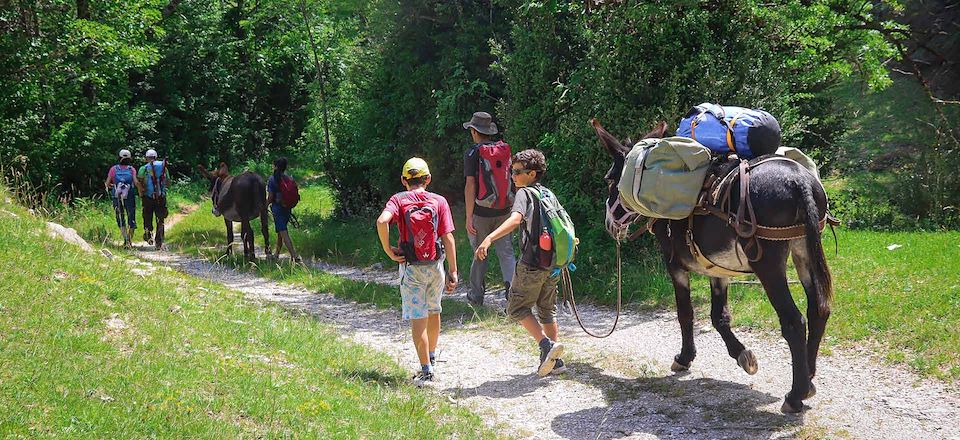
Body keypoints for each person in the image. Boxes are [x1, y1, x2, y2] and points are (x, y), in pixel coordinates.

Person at [475, 149, 566, 376]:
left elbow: (515, 220)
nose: (512, 177)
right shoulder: (549, 194)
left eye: (517, 172)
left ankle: (546, 346)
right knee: (547, 310)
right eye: (511, 171)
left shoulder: (525, 194)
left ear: (532, 174)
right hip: (553, 264)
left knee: (515, 307)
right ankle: (555, 362)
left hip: (532, 262)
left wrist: (488, 238)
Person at [376, 157, 458, 387]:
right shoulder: (439, 201)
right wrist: (453, 270)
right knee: (434, 311)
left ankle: (426, 371)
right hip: (435, 266)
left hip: (411, 268)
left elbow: (382, 221)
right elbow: (448, 237)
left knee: (418, 318)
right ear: (428, 179)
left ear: (404, 180)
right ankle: (431, 357)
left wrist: (388, 251)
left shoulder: (398, 200)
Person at [462, 111, 516, 306]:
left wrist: (469, 217)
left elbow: (470, 185)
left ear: (475, 132)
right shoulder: (504, 150)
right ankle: (513, 295)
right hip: (504, 210)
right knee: (507, 253)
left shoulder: (472, 152)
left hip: (481, 212)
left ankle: (476, 295)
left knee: (480, 251)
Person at [104, 149, 143, 248]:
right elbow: (136, 182)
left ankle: (125, 239)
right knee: (131, 216)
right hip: (129, 195)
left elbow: (107, 184)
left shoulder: (114, 169)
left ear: (119, 157)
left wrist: (113, 187)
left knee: (120, 217)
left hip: (117, 195)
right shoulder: (131, 169)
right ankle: (129, 241)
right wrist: (140, 192)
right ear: (129, 159)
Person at [267, 157, 300, 262]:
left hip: (278, 208)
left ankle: (294, 256)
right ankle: (276, 254)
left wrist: (264, 205)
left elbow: (271, 197)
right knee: (280, 232)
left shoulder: (272, 179)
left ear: (276, 166)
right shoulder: (289, 178)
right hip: (287, 207)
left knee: (283, 232)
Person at [137, 149, 169, 249]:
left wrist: (141, 192)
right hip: (161, 197)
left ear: (146, 158)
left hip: (148, 197)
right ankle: (159, 242)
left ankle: (148, 234)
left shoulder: (143, 168)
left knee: (147, 216)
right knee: (160, 219)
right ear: (156, 157)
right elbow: (168, 182)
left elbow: (139, 181)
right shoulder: (164, 168)